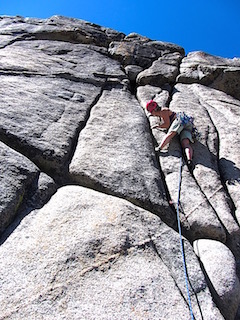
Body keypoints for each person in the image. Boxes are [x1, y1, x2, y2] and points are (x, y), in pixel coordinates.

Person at [146, 100, 194, 169]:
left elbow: (167, 124)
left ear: (153, 110)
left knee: (170, 134)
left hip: (179, 120)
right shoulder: (162, 112)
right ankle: (190, 160)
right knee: (185, 143)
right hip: (187, 124)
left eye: (151, 112)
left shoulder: (163, 111)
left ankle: (159, 148)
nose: (152, 114)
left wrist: (158, 126)